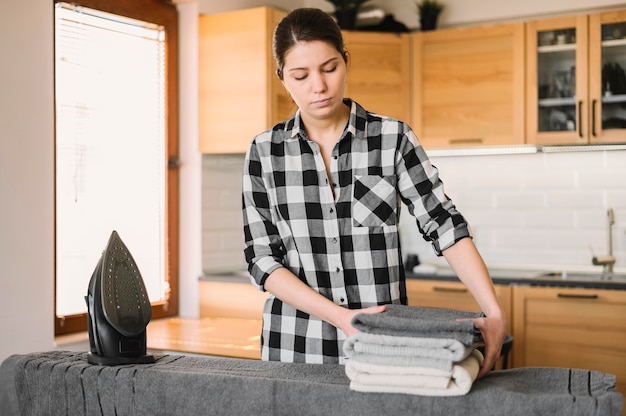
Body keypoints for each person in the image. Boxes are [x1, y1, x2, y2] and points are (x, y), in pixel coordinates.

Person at [242, 7, 506, 378]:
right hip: (295, 351)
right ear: (282, 77)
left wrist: (493, 310)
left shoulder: (392, 139)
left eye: (329, 68)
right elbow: (262, 260)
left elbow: (443, 222)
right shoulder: (265, 151)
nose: (318, 86)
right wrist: (342, 318)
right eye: (300, 76)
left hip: (384, 349)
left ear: (347, 62)